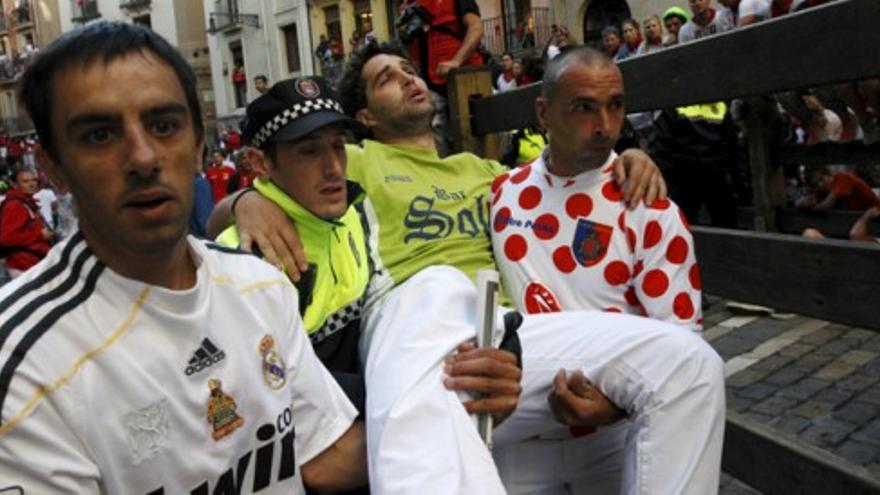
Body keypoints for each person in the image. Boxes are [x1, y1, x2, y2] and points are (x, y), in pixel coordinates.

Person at [214, 42, 725, 494]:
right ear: (365, 118)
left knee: (690, 364)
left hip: (503, 341)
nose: (409, 78)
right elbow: (282, 177)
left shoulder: (492, 178)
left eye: (409, 69)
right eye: (386, 79)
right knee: (439, 283)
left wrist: (628, 157)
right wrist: (244, 201)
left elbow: (564, 175)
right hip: (413, 331)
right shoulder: (356, 160)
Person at [0, 21, 367, 493]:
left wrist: (464, 411)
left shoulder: (261, 287)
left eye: (164, 126)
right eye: (98, 135)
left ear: (197, 146)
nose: (143, 157)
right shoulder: (24, 362)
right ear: (53, 168)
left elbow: (324, 456)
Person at [490, 46, 703, 494]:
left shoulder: (651, 208)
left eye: (616, 105)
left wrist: (614, 409)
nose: (605, 126)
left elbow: (683, 345)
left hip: (616, 435)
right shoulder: (500, 193)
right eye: (584, 108)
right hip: (522, 437)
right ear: (543, 113)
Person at [397, 0, 485, 154]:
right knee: (434, 128)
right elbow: (411, 45)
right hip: (431, 81)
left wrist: (456, 61)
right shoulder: (410, 6)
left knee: (481, 126)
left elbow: (476, 27)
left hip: (467, 79)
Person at [0, 169, 52, 277]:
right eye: (25, 181)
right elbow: (6, 239)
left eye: (34, 180)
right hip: (24, 266)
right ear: (15, 184)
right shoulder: (15, 205)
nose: (32, 184)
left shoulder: (25, 201)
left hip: (32, 263)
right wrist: (40, 234)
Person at [796, 168, 880, 211]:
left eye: (821, 179)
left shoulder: (843, 178)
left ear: (828, 174)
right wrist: (802, 203)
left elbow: (826, 205)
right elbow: (801, 202)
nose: (820, 184)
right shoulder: (824, 191)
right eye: (816, 184)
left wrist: (811, 207)